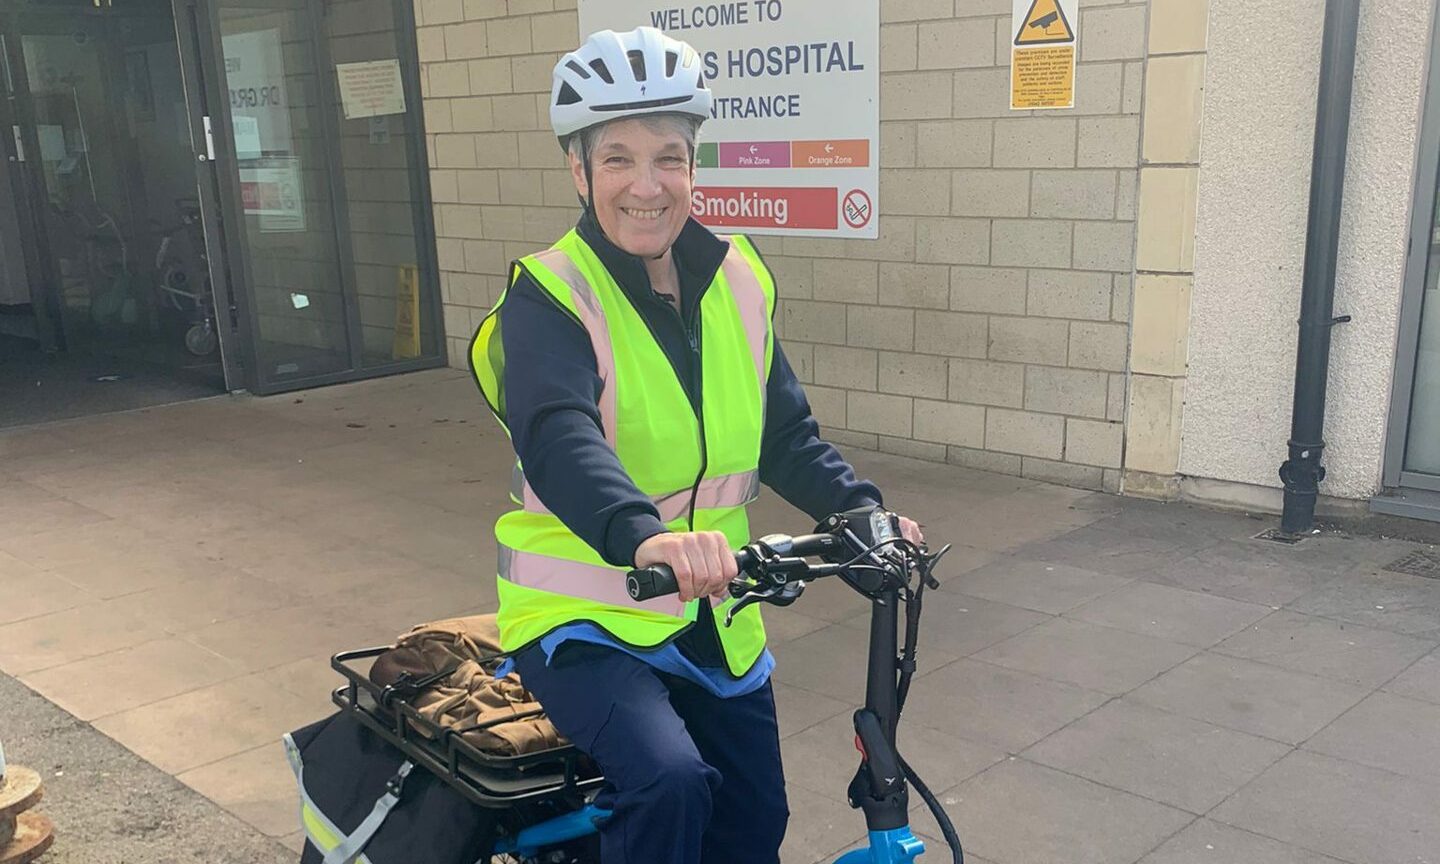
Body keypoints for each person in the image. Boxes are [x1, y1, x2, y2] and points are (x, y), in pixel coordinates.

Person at [468, 25, 922, 864]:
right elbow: (559, 436)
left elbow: (784, 435)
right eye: (618, 159)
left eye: (669, 157)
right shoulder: (550, 296)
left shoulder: (738, 278)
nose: (648, 185)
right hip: (584, 618)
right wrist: (646, 534)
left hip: (716, 612)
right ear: (579, 171)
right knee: (671, 781)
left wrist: (861, 511)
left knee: (754, 823)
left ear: (694, 165)